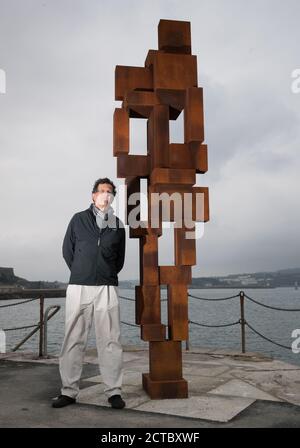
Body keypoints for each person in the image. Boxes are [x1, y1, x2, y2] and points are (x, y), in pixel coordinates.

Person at [52, 178, 126, 409]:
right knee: (73, 339)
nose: (105, 195)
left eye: (109, 192)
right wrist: (82, 271)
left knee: (111, 340)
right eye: (101, 191)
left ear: (113, 197)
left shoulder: (118, 224)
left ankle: (114, 392)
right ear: (93, 195)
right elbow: (67, 251)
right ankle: (69, 391)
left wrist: (105, 272)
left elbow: (119, 259)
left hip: (106, 286)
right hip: (79, 286)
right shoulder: (78, 219)